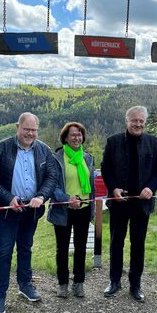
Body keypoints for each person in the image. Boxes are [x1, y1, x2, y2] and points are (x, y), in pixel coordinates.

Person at [0, 112, 56, 313]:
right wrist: (7, 198)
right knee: (4, 251)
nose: (30, 133)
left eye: (33, 130)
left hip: (31, 211)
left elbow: (52, 176)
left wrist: (41, 196)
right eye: (27, 129)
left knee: (26, 248)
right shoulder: (1, 147)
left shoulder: (44, 150)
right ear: (18, 127)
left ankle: (25, 285)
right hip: (8, 210)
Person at [101, 105, 157, 302]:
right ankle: (114, 281)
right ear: (126, 121)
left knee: (138, 245)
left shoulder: (154, 143)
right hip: (119, 202)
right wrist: (113, 189)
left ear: (144, 123)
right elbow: (106, 169)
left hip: (142, 204)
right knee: (116, 243)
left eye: (141, 121)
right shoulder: (113, 142)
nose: (138, 124)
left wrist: (151, 188)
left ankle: (135, 285)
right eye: (134, 120)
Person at [47, 122, 95, 299]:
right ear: (65, 138)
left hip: (83, 209)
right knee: (63, 248)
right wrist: (68, 199)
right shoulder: (57, 158)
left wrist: (91, 205)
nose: (77, 137)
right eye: (73, 134)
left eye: (80, 134)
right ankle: (62, 284)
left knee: (81, 247)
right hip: (63, 210)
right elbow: (51, 185)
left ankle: (79, 283)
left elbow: (91, 185)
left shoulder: (88, 158)